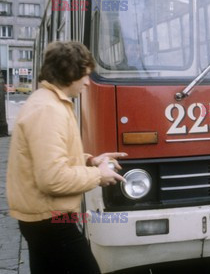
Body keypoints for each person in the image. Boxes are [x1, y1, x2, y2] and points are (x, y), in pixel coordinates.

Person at [6, 41, 126, 274]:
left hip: (41, 217)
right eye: (85, 75)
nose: (87, 82)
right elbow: (52, 178)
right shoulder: (48, 110)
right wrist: (97, 175)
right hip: (50, 220)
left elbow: (48, 157)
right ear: (70, 72)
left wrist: (90, 160)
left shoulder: (48, 102)